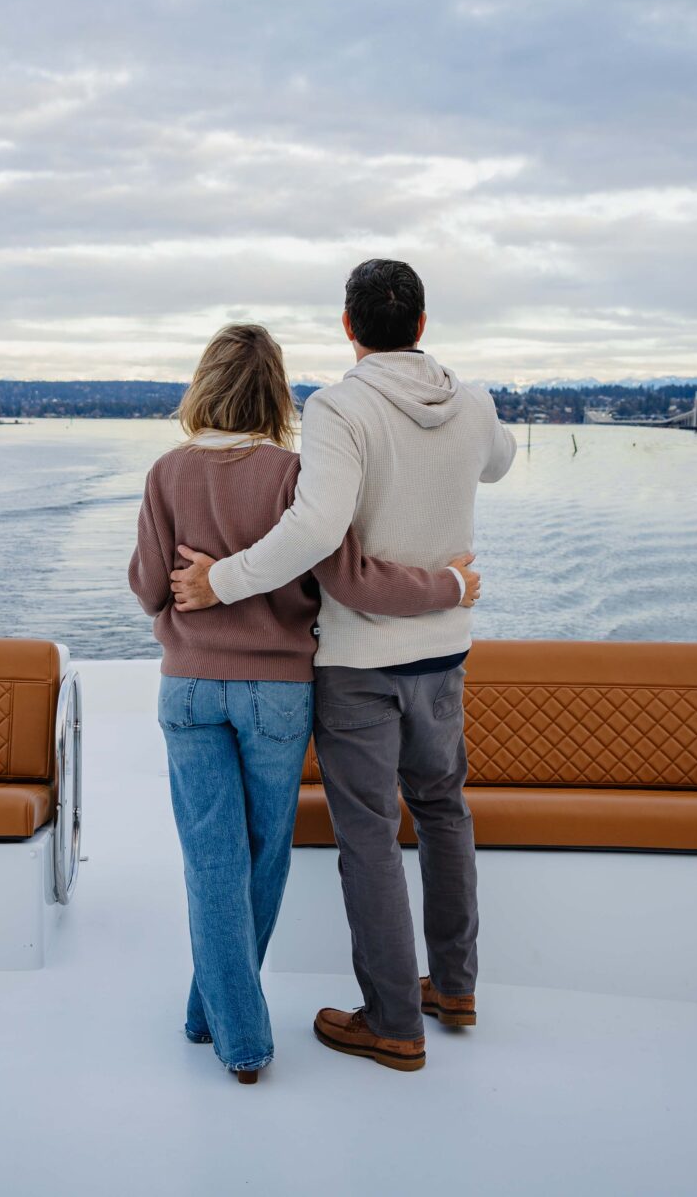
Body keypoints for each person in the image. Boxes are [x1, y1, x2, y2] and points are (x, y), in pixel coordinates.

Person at [171, 260, 514, 1073]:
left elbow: (316, 531)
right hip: (445, 651)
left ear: (349, 328)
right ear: (422, 325)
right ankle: (455, 986)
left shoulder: (339, 408)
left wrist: (220, 582)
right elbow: (498, 461)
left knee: (369, 837)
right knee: (443, 813)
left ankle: (393, 1022)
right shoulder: (473, 403)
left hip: (361, 662)